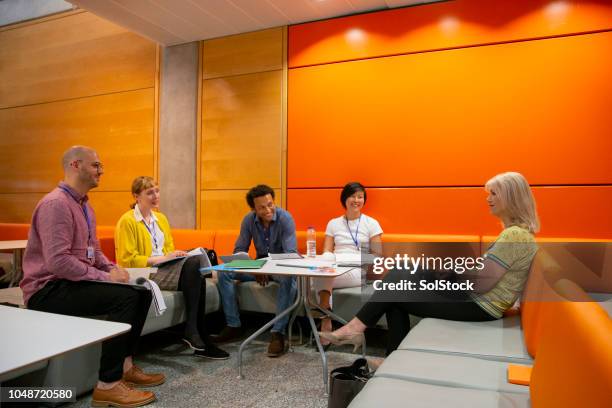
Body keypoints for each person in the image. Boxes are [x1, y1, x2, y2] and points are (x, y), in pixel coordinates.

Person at [320, 172, 539, 355]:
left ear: (510, 197)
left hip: (480, 305)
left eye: (493, 193)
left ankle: (356, 327)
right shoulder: (517, 234)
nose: (488, 198)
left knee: (395, 290)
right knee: (402, 272)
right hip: (476, 299)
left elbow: (481, 285)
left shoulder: (514, 236)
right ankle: (377, 345)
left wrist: (453, 273)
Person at [20, 146, 164, 408]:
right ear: (75, 166)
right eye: (96, 165)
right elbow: (58, 262)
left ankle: (125, 365)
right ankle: (107, 386)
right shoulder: (56, 204)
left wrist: (111, 269)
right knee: (125, 299)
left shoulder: (84, 206)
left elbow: (94, 251)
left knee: (141, 291)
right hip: (47, 289)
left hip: (73, 282)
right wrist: (104, 276)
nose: (102, 170)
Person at [114, 176, 229, 360]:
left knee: (196, 259)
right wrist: (161, 258)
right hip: (145, 272)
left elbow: (167, 249)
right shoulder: (127, 221)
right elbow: (127, 260)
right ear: (136, 196)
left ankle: (196, 333)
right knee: (193, 266)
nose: (155, 195)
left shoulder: (160, 218)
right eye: (149, 192)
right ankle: (196, 333)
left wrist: (174, 254)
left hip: (165, 267)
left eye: (157, 191)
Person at [212, 184, 298, 357]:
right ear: (253, 209)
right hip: (258, 268)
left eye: (270, 204)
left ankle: (277, 333)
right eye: (262, 207)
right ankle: (233, 325)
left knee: (289, 279)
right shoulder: (248, 220)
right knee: (224, 272)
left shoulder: (285, 218)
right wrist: (253, 266)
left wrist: (264, 267)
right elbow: (240, 250)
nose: (268, 210)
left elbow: (290, 254)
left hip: (279, 268)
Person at [312, 182, 383, 344]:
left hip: (357, 270)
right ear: (344, 199)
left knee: (321, 274)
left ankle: (324, 318)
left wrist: (345, 259)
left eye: (360, 197)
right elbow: (327, 252)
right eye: (352, 196)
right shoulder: (333, 223)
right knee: (324, 266)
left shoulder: (371, 223)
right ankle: (326, 319)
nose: (356, 200)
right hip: (333, 267)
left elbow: (377, 255)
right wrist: (332, 261)